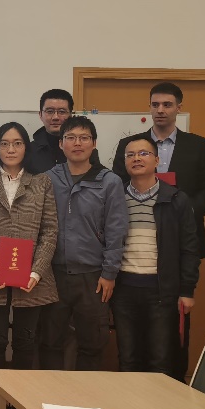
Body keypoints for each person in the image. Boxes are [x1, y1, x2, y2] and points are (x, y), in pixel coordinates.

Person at [111, 81, 205, 379]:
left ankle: (172, 394)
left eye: (167, 104)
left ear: (178, 108)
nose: (160, 110)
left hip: (175, 252)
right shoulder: (130, 144)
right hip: (133, 261)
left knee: (171, 344)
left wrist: (178, 212)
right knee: (130, 350)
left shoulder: (199, 145)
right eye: (155, 104)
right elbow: (115, 189)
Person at [0, 122, 58, 409]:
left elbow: (50, 230)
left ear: (26, 147)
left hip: (32, 279)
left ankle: (21, 407)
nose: (10, 149)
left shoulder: (42, 182)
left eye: (17, 143)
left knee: (26, 341)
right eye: (4, 143)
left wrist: (37, 271)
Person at [41, 115, 128, 371]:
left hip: (93, 276)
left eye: (84, 138)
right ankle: (48, 393)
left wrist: (109, 273)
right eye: (70, 137)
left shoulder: (109, 181)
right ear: (61, 144)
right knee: (49, 341)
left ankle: (85, 393)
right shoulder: (47, 179)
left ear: (94, 143)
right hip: (53, 274)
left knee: (92, 343)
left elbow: (116, 230)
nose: (77, 143)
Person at [112, 136, 200, 378]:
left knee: (160, 359)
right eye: (130, 155)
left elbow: (189, 248)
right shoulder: (116, 197)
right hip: (124, 290)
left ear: (157, 160)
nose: (137, 158)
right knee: (127, 358)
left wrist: (187, 290)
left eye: (144, 153)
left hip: (162, 291)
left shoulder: (176, 199)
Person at [26, 89, 98, 175]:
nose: (55, 117)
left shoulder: (83, 148)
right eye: (50, 111)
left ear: (70, 115)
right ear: (40, 115)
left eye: (62, 112)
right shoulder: (29, 150)